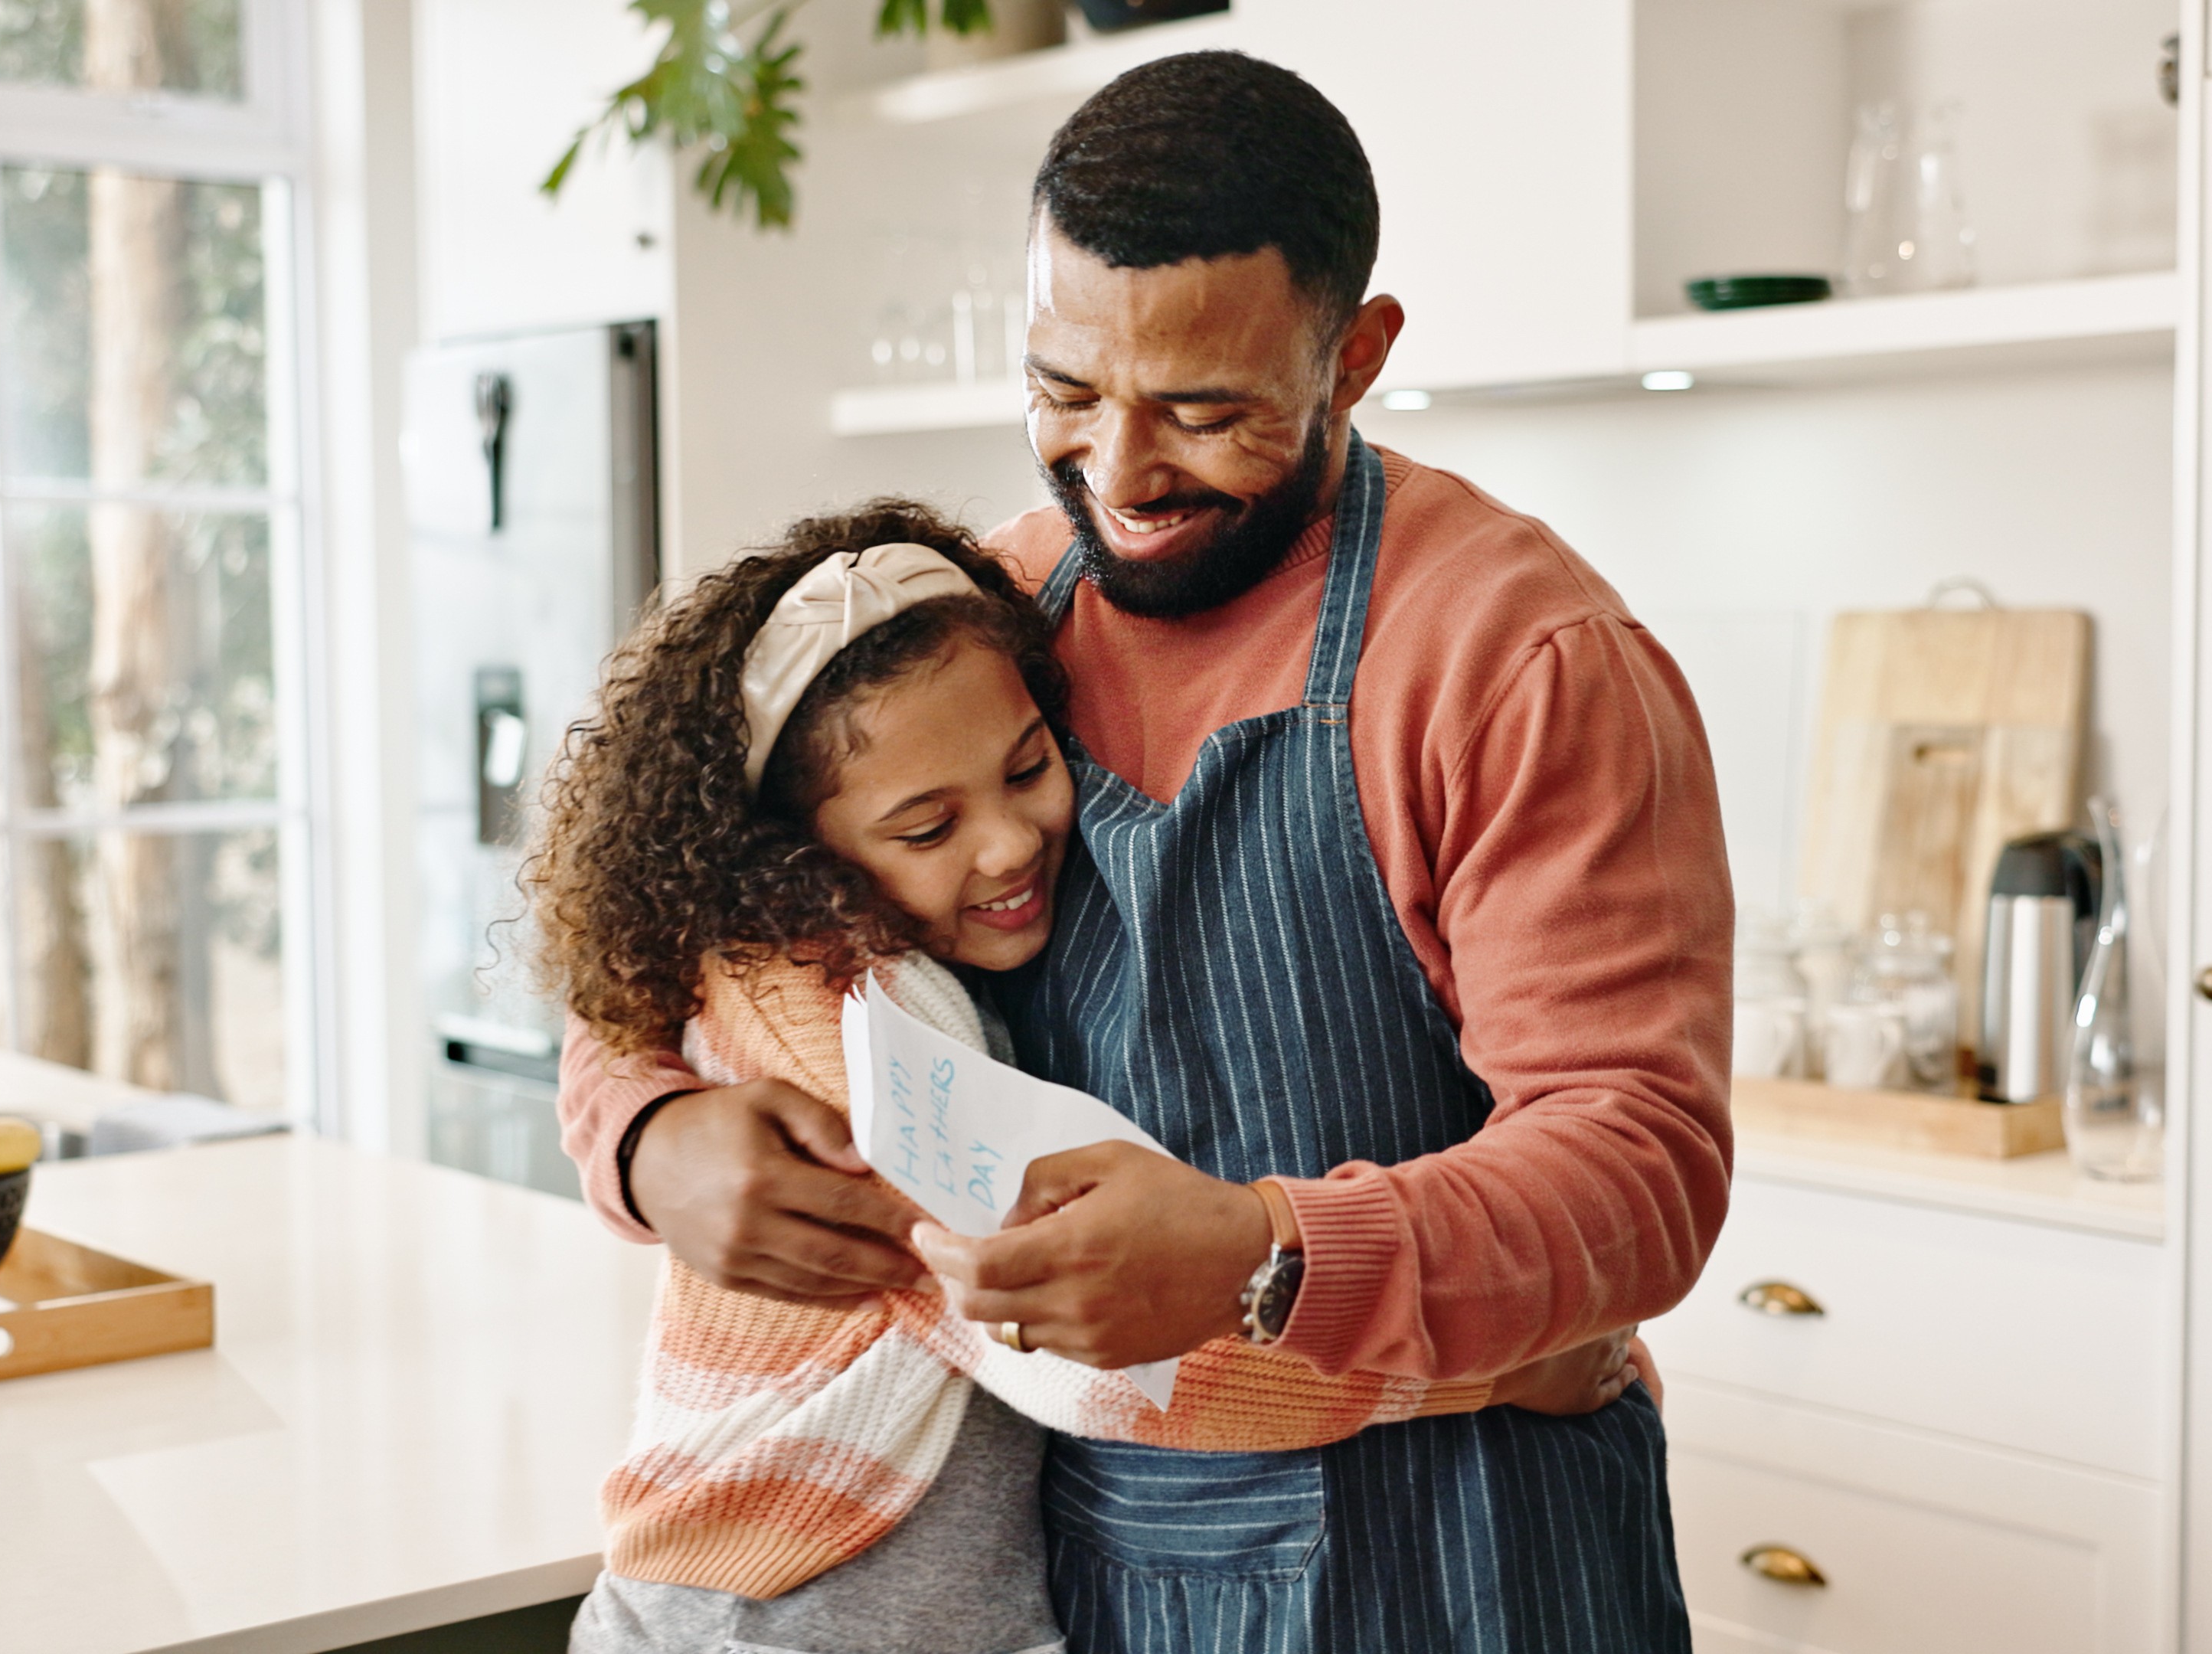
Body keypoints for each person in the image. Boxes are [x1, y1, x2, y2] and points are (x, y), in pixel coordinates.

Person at [559, 50, 1734, 1652]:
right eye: (1063, 392)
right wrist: (647, 1138)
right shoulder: (987, 619)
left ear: (1354, 356)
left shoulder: (1517, 659)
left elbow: (1640, 1170)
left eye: (1202, 411)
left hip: (1467, 1557)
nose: (1117, 475)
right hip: (1102, 1567)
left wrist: (1266, 1254)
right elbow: (681, 925)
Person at [531, 502, 1650, 1654]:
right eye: (927, 829)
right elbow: (1097, 1373)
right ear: (790, 853)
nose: (1010, 843)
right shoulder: (848, 1030)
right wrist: (1490, 1371)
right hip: (775, 1619)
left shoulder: (955, 667)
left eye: (1031, 768)